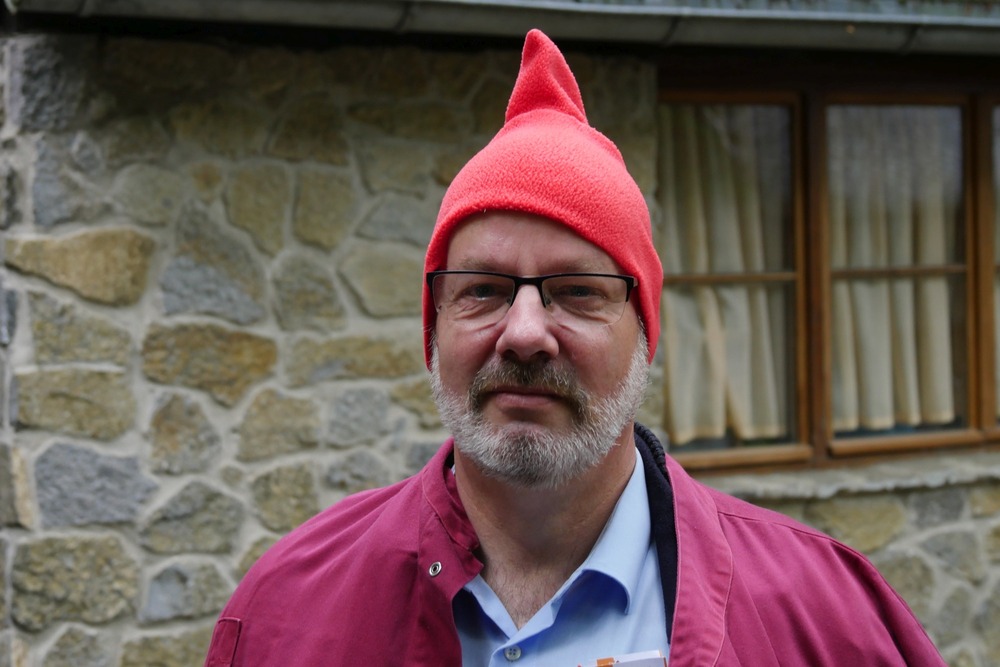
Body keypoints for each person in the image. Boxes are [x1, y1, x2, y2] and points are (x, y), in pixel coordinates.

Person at [205, 29, 946, 667]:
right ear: (434, 327)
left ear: (644, 330)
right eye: (483, 289)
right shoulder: (287, 612)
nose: (525, 332)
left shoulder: (826, 619)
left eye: (577, 290)